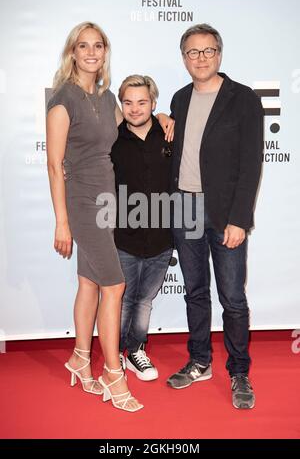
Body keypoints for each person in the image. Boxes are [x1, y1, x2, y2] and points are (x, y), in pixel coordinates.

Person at [46, 22, 145, 412]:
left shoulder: (105, 99)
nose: (91, 52)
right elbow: (55, 165)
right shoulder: (62, 99)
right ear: (72, 52)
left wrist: (165, 117)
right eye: (82, 46)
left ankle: (81, 359)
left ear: (105, 52)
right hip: (82, 203)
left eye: (98, 45)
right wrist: (62, 221)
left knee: (89, 283)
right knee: (115, 286)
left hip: (107, 201)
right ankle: (113, 373)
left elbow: (130, 124)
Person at [166, 24, 263, 409]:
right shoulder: (178, 99)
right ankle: (200, 361)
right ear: (184, 58)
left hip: (225, 215)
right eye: (193, 52)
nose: (201, 58)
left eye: (207, 51)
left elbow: (251, 163)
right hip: (184, 207)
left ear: (219, 55)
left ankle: (239, 371)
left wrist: (240, 219)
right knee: (195, 292)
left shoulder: (243, 99)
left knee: (233, 298)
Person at [111, 75, 173, 381]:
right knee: (122, 300)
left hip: (162, 238)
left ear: (153, 103)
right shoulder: (112, 139)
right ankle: (115, 356)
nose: (135, 109)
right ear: (121, 105)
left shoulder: (169, 134)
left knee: (144, 301)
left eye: (142, 102)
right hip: (123, 236)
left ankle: (135, 351)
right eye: (128, 102)